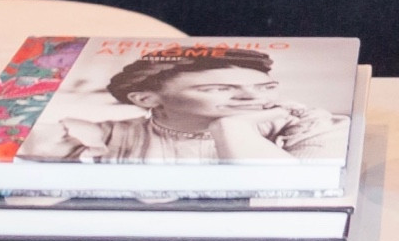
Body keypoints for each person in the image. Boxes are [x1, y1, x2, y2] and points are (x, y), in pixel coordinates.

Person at [32, 47, 348, 163]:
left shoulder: (310, 126)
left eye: (265, 87)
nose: (254, 98)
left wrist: (231, 128)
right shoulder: (94, 138)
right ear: (146, 99)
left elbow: (290, 202)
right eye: (220, 88)